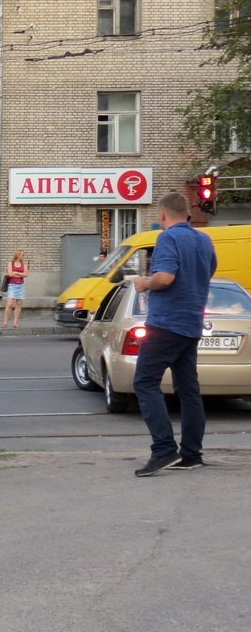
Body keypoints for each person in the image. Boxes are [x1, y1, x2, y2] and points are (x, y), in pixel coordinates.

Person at [130, 192, 217, 477]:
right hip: (191, 323)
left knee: (145, 382)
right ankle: (191, 454)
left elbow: (165, 277)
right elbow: (209, 271)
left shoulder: (167, 238)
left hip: (166, 323)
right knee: (189, 390)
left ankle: (164, 449)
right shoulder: (204, 240)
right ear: (187, 215)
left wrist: (144, 283)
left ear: (163, 215)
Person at [2, 249, 29, 329]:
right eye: (22, 254)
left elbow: (26, 274)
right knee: (9, 304)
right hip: (12, 285)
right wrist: (21, 274)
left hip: (21, 286)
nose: (23, 256)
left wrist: (17, 273)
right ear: (17, 255)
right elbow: (10, 274)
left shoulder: (24, 264)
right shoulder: (11, 263)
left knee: (18, 304)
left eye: (23, 255)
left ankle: (15, 322)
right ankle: (5, 322)